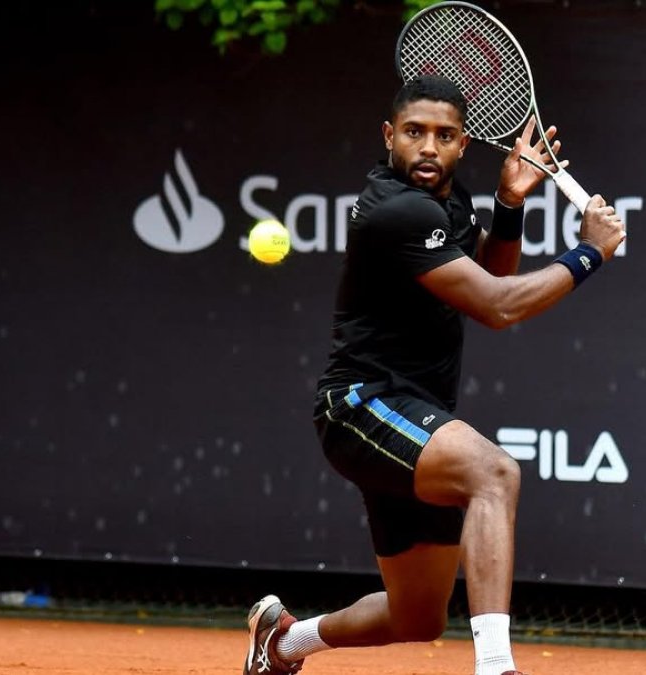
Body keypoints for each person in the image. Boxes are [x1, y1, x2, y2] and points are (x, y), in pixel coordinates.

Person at [243, 74, 626, 675]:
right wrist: (588, 255)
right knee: (494, 473)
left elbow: (486, 277)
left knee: (417, 616)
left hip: (412, 414)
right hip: (361, 407)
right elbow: (499, 306)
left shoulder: (450, 202)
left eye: (444, 135)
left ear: (463, 144)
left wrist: (508, 204)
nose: (428, 146)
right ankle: (496, 667)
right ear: (389, 135)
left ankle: (283, 640)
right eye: (415, 132)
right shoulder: (396, 210)